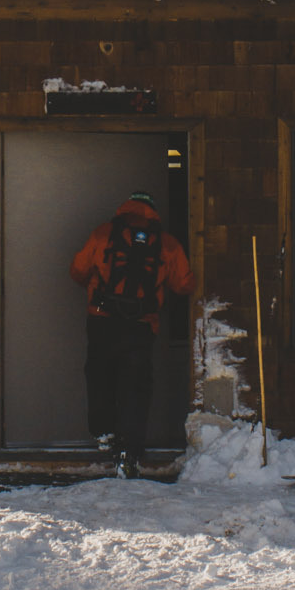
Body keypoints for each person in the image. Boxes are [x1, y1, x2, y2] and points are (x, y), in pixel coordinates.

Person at [70, 190, 194, 478]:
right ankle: (129, 453)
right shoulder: (167, 244)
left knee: (100, 375)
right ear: (153, 212)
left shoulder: (103, 234)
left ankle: (103, 433)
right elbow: (184, 284)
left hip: (101, 320)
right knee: (135, 387)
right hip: (141, 325)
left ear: (125, 209)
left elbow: (77, 270)